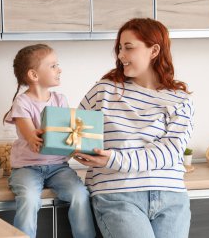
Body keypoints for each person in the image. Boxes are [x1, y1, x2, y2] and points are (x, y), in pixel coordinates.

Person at [74, 18, 194, 238]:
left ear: (154, 50)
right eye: (119, 48)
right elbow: (74, 133)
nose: (120, 55)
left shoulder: (180, 99)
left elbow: (169, 152)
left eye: (128, 48)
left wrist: (113, 159)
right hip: (117, 195)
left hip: (171, 198)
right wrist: (53, 137)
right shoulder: (104, 91)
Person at [4, 44, 96, 238]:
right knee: (29, 198)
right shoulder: (22, 102)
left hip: (58, 167)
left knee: (80, 195)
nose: (59, 69)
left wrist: (78, 147)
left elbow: (66, 135)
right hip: (27, 168)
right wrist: (33, 137)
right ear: (34, 75)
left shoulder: (60, 100)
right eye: (53, 65)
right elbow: (29, 134)